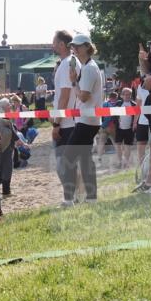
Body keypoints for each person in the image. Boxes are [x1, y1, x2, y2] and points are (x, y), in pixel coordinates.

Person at [61, 33, 104, 204]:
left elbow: (84, 96)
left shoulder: (89, 68)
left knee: (68, 157)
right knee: (85, 159)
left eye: (77, 46)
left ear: (87, 47)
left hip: (87, 120)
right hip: (88, 119)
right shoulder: (89, 67)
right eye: (73, 47)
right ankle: (90, 198)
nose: (75, 49)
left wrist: (73, 83)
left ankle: (70, 199)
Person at [51, 29, 79, 199]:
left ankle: (71, 197)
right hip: (70, 120)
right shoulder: (69, 62)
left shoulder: (67, 63)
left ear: (62, 44)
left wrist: (56, 123)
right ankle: (74, 196)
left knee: (63, 165)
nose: (52, 45)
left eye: (54, 42)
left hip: (67, 123)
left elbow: (65, 95)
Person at [0, 98, 17, 196]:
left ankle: (5, 190)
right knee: (5, 168)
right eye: (8, 105)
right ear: (3, 107)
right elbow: (7, 133)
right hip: (4, 146)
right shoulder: (0, 120)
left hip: (8, 146)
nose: (10, 106)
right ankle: (5, 191)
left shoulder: (6, 118)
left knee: (6, 168)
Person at [115, 87, 135, 169]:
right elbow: (113, 115)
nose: (127, 96)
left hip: (130, 129)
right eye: (125, 95)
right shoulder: (118, 104)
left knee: (128, 147)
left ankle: (126, 163)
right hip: (119, 128)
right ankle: (120, 162)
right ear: (122, 96)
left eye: (129, 95)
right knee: (118, 145)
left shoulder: (134, 104)